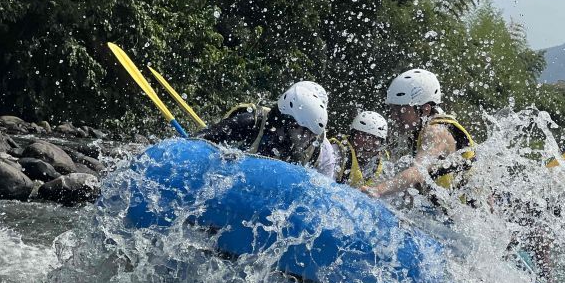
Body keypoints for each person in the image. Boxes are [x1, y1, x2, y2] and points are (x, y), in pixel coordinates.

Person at [359, 69, 476, 202]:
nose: (394, 116)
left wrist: (378, 190)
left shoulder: (436, 131)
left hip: (468, 213)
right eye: (393, 109)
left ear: (425, 108)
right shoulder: (419, 131)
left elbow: (418, 172)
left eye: (401, 109)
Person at [197, 81, 333, 175]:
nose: (305, 138)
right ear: (285, 120)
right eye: (301, 129)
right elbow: (199, 141)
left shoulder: (316, 150)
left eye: (310, 134)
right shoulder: (250, 122)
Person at [330, 111, 389, 187]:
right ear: (353, 135)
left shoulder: (384, 161)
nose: (369, 143)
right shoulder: (337, 151)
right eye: (364, 135)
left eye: (375, 138)